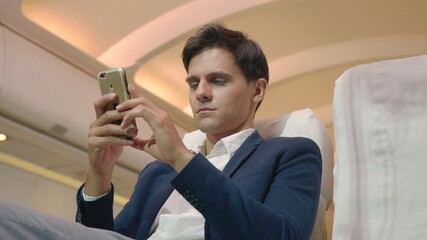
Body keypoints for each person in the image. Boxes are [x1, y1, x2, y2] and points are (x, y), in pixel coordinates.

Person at [0, 23, 322, 240]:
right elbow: (105, 239)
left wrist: (182, 158)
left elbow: (281, 236)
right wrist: (99, 173)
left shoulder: (292, 153)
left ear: (257, 90)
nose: (201, 93)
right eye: (194, 83)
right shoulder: (157, 174)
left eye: (217, 80)